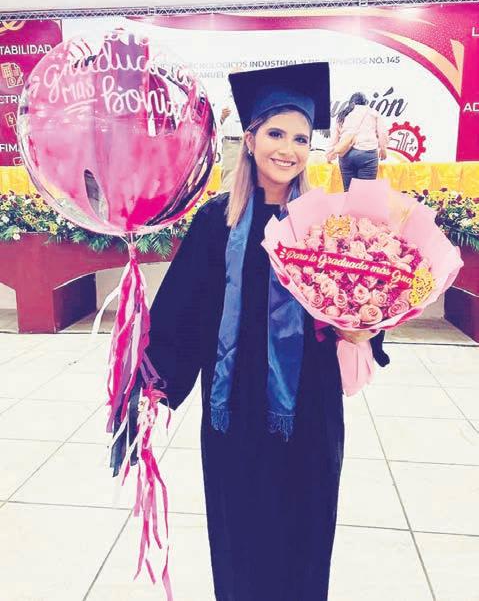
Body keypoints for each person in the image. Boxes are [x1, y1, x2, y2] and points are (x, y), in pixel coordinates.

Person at [146, 64, 390, 601]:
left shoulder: (328, 224)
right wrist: (151, 383)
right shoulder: (216, 221)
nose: (289, 149)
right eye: (276, 133)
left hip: (309, 408)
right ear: (251, 138)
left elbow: (360, 300)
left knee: (305, 533)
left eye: (301, 139)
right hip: (234, 409)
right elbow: (185, 311)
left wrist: (363, 332)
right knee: (240, 535)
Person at [326, 92, 389, 191]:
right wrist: (383, 149)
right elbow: (383, 132)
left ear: (351, 102)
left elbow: (334, 138)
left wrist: (330, 155)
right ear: (365, 102)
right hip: (367, 154)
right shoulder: (373, 113)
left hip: (346, 155)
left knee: (348, 191)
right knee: (365, 192)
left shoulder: (343, 114)